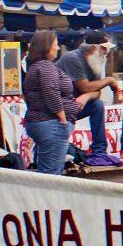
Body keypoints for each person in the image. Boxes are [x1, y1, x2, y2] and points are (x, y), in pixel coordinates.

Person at [22, 30, 98, 175]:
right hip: (52, 123)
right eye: (55, 45)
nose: (57, 48)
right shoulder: (45, 66)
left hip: (45, 122)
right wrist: (62, 118)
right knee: (52, 173)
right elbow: (51, 91)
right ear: (46, 47)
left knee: (47, 169)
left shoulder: (37, 66)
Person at [56, 29, 123, 167]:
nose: (106, 53)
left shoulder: (94, 62)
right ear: (94, 49)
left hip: (76, 104)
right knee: (96, 104)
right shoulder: (72, 58)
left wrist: (87, 96)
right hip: (58, 108)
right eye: (104, 49)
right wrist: (109, 80)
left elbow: (95, 92)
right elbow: (85, 86)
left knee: (97, 105)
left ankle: (100, 152)